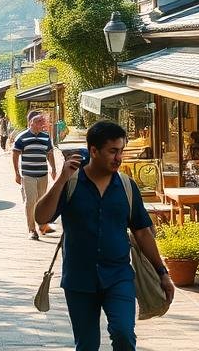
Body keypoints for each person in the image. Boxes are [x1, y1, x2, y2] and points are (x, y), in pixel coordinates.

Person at [34, 120, 175, 351]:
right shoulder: (71, 184)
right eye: (112, 151)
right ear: (93, 151)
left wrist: (162, 272)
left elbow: (142, 232)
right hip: (79, 280)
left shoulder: (127, 186)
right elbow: (41, 217)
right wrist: (60, 180)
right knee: (87, 345)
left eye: (121, 151)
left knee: (123, 334)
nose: (118, 158)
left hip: (119, 276)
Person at [12, 111, 58, 239]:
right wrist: (17, 173)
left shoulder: (45, 137)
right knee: (31, 201)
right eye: (38, 121)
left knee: (41, 202)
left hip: (42, 174)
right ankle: (32, 230)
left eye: (42, 122)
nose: (41, 124)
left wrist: (53, 168)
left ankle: (42, 226)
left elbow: (49, 153)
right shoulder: (22, 137)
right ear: (31, 123)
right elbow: (15, 154)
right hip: (28, 175)